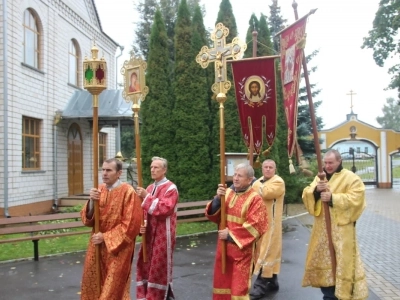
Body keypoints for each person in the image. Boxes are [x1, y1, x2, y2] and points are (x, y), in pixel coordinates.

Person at [302, 149, 369, 300]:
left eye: (331, 162)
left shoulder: (351, 178)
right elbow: (307, 193)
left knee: (342, 265)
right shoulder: (321, 177)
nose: (327, 166)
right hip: (322, 231)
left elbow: (357, 199)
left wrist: (334, 198)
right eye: (325, 162)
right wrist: (316, 191)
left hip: (342, 232)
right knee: (325, 266)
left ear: (339, 161)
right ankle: (328, 295)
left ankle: (343, 295)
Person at [80, 158, 142, 300]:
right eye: (103, 170)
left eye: (109, 170)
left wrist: (105, 237)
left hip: (118, 249)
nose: (104, 173)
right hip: (97, 245)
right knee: (93, 284)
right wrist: (91, 201)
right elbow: (88, 220)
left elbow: (131, 225)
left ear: (119, 173)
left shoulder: (128, 192)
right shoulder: (99, 189)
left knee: (112, 289)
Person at [206, 163, 268, 300]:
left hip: (242, 254)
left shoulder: (255, 199)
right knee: (222, 286)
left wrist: (230, 235)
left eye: (240, 176)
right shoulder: (227, 192)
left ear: (250, 179)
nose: (235, 178)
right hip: (223, 250)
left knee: (238, 290)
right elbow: (214, 215)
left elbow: (257, 226)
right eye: (235, 174)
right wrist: (217, 199)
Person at [136, 156, 179, 300]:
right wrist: (141, 225)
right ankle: (148, 295)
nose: (152, 170)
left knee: (159, 267)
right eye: (151, 167)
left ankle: (162, 296)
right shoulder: (149, 187)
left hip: (163, 234)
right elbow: (143, 211)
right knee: (146, 264)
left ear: (164, 170)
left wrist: (146, 197)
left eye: (156, 167)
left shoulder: (171, 188)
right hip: (149, 234)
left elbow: (165, 208)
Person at [250, 159, 285, 299]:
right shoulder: (259, 181)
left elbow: (266, 193)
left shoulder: (278, 182)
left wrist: (253, 183)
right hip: (259, 223)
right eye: (266, 167)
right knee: (262, 251)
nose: (268, 169)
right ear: (262, 169)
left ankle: (260, 285)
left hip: (272, 225)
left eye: (271, 167)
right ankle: (273, 280)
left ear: (275, 169)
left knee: (268, 251)